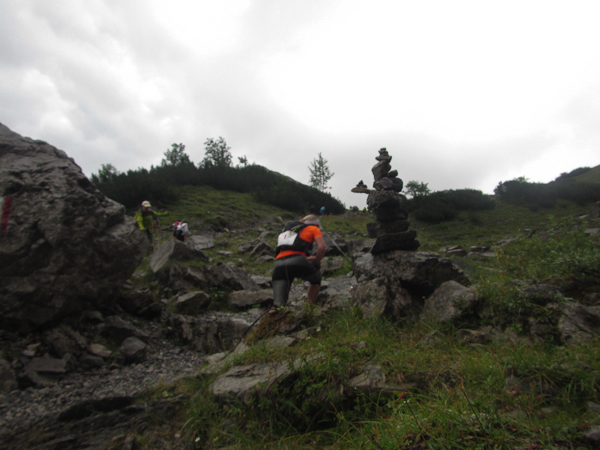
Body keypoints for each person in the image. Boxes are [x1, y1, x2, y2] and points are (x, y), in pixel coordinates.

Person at [270, 214, 326, 314]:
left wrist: (306, 258)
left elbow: (289, 251)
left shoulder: (288, 230)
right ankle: (309, 310)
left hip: (279, 263)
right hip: (298, 261)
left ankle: (274, 315)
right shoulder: (313, 228)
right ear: (315, 223)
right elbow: (321, 248)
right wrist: (316, 261)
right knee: (316, 279)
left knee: (278, 305)